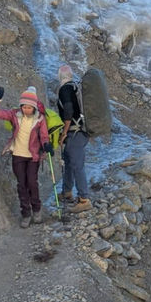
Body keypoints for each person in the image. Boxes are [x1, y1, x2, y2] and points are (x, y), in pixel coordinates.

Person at [0, 86, 53, 227]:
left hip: (33, 156)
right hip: (18, 155)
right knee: (21, 185)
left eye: (29, 107)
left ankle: (36, 210)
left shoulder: (40, 119)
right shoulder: (14, 115)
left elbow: (44, 136)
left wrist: (46, 145)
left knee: (32, 182)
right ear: (20, 106)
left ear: (34, 107)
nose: (26, 109)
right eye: (24, 107)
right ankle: (26, 213)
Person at [57, 65, 92, 213]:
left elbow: (69, 111)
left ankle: (84, 199)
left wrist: (64, 133)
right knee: (69, 162)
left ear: (60, 77)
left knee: (76, 165)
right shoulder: (76, 87)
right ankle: (67, 192)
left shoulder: (65, 89)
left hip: (74, 132)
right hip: (81, 132)